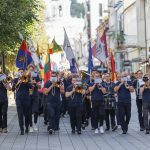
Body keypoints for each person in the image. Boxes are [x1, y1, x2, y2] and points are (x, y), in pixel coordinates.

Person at [12, 69, 32, 135]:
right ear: (18, 73)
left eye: (22, 71)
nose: (21, 72)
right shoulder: (15, 80)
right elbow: (13, 89)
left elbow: (31, 87)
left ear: (24, 72)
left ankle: (26, 127)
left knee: (27, 115)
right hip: (19, 99)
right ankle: (21, 129)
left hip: (26, 99)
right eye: (20, 71)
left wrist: (27, 81)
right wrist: (18, 82)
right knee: (20, 114)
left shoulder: (27, 79)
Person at [28, 65, 41, 132]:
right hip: (28, 95)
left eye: (32, 70)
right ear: (28, 70)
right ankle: (30, 126)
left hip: (35, 95)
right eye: (30, 70)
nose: (31, 71)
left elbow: (39, 87)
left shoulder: (36, 76)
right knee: (29, 111)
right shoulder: (26, 76)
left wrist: (36, 83)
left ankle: (35, 123)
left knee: (36, 110)